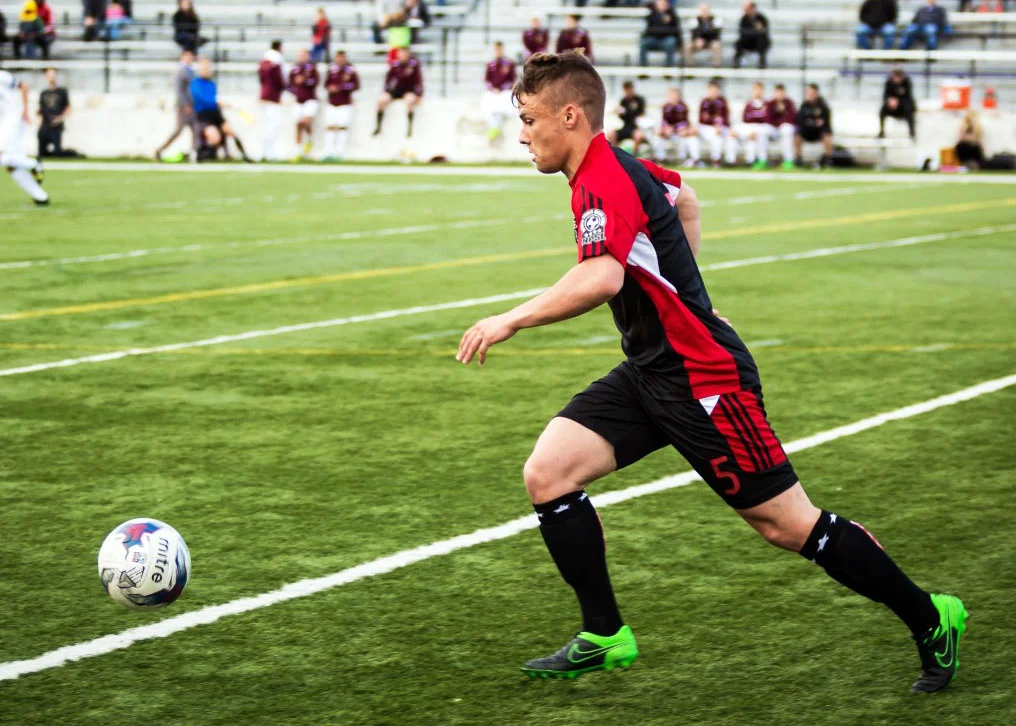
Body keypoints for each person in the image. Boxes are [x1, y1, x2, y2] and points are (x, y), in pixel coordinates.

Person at [455, 50, 967, 696]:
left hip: (704, 381)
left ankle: (932, 617)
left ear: (570, 115)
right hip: (651, 369)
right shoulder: (613, 168)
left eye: (529, 119)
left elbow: (602, 275)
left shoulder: (604, 179)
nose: (523, 134)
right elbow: (685, 198)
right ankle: (605, 634)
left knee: (787, 524)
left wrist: (511, 319)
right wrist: (688, 291)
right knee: (549, 472)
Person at [0, 70, 49, 205]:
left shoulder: (2, 76)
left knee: (3, 157)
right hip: (4, 123)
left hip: (13, 119)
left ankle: (33, 164)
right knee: (12, 165)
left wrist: (25, 111)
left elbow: (24, 86)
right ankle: (41, 197)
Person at [190, 57, 251, 162]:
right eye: (204, 67)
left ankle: (245, 156)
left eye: (208, 67)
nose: (207, 69)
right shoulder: (195, 83)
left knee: (231, 131)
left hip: (216, 113)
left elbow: (214, 99)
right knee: (215, 138)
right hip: (204, 114)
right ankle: (200, 155)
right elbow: (201, 98)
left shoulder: (212, 84)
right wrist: (217, 101)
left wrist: (221, 105)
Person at [155, 49, 195, 161]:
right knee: (178, 130)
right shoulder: (180, 71)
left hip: (191, 106)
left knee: (195, 130)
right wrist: (186, 104)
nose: (190, 58)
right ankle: (160, 150)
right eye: (188, 56)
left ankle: (192, 153)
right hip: (183, 107)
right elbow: (179, 91)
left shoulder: (190, 71)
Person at [374, 46, 423, 137]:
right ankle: (378, 127)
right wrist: (386, 90)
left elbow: (419, 80)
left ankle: (409, 129)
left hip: (408, 90)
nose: (403, 55)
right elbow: (388, 79)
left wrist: (419, 94)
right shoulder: (395, 65)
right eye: (401, 53)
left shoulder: (413, 65)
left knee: (410, 101)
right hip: (395, 90)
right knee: (381, 100)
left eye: (404, 53)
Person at [323, 50, 359, 161]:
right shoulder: (331, 69)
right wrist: (331, 88)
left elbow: (356, 85)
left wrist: (342, 87)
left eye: (341, 57)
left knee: (342, 127)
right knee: (330, 127)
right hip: (332, 102)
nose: (339, 59)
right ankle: (328, 152)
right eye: (338, 57)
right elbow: (326, 84)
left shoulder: (350, 70)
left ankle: (340, 153)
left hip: (345, 102)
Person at [652, 87, 699, 166]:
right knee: (657, 138)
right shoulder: (664, 107)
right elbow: (661, 123)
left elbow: (686, 122)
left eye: (675, 96)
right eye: (671, 96)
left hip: (680, 133)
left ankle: (686, 159)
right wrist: (665, 129)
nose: (673, 98)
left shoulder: (684, 107)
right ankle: (660, 159)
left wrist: (683, 129)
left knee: (689, 139)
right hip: (668, 133)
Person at [288, 47, 320, 158]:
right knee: (298, 124)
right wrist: (295, 90)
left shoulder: (312, 68)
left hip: (310, 99)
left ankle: (309, 141)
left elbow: (315, 82)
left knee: (306, 121)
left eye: (303, 55)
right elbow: (289, 84)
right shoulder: (294, 68)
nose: (301, 57)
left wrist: (305, 81)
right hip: (298, 100)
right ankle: (298, 151)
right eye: (300, 55)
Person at [483, 41, 517, 143]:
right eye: (496, 49)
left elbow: (512, 80)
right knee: (488, 104)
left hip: (505, 92)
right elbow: (487, 80)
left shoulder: (509, 64)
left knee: (503, 104)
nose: (498, 51)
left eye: (500, 49)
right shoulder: (490, 64)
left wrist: (501, 88)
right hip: (493, 92)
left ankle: (495, 129)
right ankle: (494, 129)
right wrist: (493, 89)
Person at [794, 82, 833, 168]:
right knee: (797, 135)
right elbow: (800, 121)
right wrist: (812, 122)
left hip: (819, 132)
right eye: (808, 92)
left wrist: (817, 123)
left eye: (811, 93)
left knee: (827, 136)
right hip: (807, 131)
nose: (809, 95)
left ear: (816, 93)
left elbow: (826, 123)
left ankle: (827, 159)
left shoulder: (823, 106)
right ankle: (798, 159)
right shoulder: (804, 105)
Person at [258, 40, 285, 162]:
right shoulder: (276, 63)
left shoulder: (264, 62)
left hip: (264, 95)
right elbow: (280, 81)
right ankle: (269, 152)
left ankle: (264, 151)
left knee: (266, 125)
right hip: (273, 97)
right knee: (272, 126)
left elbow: (261, 79)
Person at [698, 78, 735, 166]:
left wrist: (722, 126)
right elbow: (702, 119)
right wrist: (715, 124)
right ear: (708, 90)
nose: (714, 92)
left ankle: (730, 161)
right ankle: (715, 159)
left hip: (721, 127)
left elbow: (726, 118)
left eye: (716, 90)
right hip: (707, 128)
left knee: (731, 137)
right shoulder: (704, 102)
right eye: (712, 90)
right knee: (716, 136)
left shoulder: (723, 101)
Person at [734, 81, 768, 168]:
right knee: (734, 133)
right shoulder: (749, 103)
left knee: (758, 134)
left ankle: (760, 160)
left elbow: (765, 118)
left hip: (761, 127)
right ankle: (731, 160)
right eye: (755, 89)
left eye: (759, 89)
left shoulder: (767, 104)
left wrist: (756, 115)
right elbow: (745, 118)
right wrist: (758, 114)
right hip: (748, 127)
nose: (757, 91)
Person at [37, 67, 70, 157]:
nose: (52, 77)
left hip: (56, 126)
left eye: (54, 75)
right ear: (46, 76)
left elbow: (68, 107)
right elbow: (41, 109)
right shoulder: (43, 93)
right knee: (41, 154)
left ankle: (71, 153)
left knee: (57, 153)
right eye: (50, 75)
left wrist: (60, 119)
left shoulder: (62, 92)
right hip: (45, 125)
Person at [605, 81, 647, 152]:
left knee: (638, 136)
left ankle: (634, 155)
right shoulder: (623, 101)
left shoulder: (639, 100)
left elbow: (640, 114)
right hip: (625, 127)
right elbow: (622, 116)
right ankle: (616, 154)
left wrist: (626, 112)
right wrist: (618, 112)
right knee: (610, 135)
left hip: (635, 127)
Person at [763, 83, 796, 169]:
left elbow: (792, 119)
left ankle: (788, 160)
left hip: (784, 128)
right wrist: (777, 111)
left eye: (781, 92)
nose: (780, 94)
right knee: (762, 131)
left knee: (787, 129)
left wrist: (783, 112)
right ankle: (762, 160)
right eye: (778, 92)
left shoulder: (789, 103)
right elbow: (768, 119)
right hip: (774, 129)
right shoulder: (771, 103)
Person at [639, 0, 681, 67]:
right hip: (654, 39)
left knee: (671, 42)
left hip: (666, 39)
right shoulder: (652, 14)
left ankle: (669, 69)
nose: (661, 5)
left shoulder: (672, 15)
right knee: (644, 43)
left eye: (663, 3)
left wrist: (679, 44)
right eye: (660, 3)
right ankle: (643, 69)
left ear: (667, 4)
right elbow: (648, 29)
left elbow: (676, 30)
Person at [879, 66, 915, 139]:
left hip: (903, 106)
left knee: (909, 110)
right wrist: (890, 101)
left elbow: (908, 97)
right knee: (882, 111)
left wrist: (898, 102)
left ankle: (912, 132)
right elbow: (885, 96)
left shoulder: (906, 83)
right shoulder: (889, 83)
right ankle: (882, 131)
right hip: (891, 106)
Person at [734, 1, 770, 69]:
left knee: (762, 40)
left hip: (758, 41)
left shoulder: (761, 18)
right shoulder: (744, 18)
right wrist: (755, 31)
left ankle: (762, 61)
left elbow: (764, 31)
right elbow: (742, 31)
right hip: (747, 41)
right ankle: (736, 62)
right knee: (739, 43)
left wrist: (756, 31)